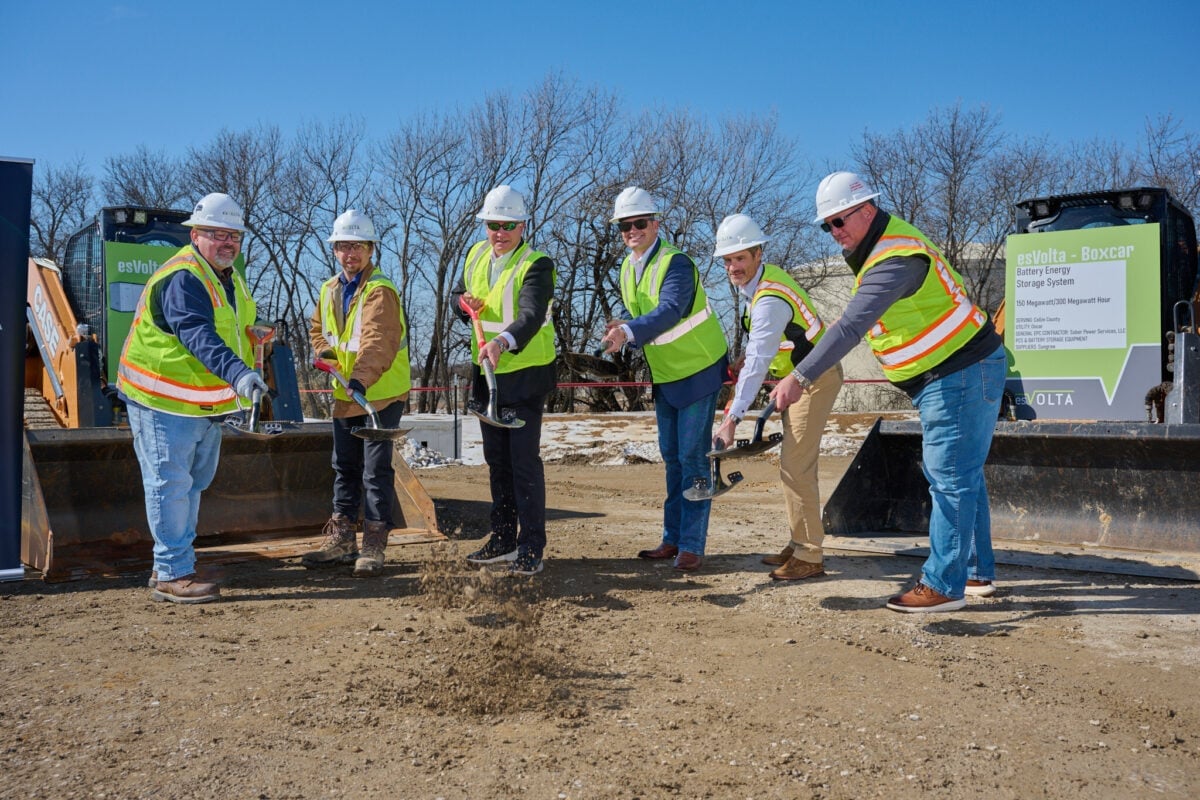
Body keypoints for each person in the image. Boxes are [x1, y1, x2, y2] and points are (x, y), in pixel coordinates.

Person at [769, 172, 1006, 612]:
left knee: (949, 479)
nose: (834, 233)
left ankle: (943, 585)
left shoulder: (894, 259)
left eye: (840, 221)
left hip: (958, 371)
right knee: (962, 476)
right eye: (828, 226)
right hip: (956, 372)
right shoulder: (878, 251)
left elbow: (850, 326)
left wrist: (799, 377)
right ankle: (974, 572)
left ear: (867, 209)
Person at [117, 192, 268, 604]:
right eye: (217, 233)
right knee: (171, 484)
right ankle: (172, 572)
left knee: (192, 484)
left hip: (201, 402)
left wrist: (254, 334)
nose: (228, 243)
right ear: (195, 234)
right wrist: (240, 374)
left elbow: (233, 324)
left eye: (234, 235)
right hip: (160, 399)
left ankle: (168, 563)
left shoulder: (228, 276)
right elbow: (197, 334)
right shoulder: (184, 277)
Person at [601, 187, 729, 571]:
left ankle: (692, 544)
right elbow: (640, 309)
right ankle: (672, 539)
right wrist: (623, 323)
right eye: (625, 226)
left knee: (692, 458)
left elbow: (671, 309)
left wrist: (629, 333)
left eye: (639, 223)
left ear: (656, 223)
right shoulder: (628, 266)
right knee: (673, 458)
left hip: (698, 370)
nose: (632, 231)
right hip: (667, 374)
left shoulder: (677, 263)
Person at [710, 214, 844, 581]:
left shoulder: (768, 297)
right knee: (796, 465)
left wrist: (731, 419)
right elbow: (763, 347)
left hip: (814, 378)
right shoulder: (759, 284)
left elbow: (757, 362)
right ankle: (799, 540)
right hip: (796, 377)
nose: (733, 267)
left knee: (795, 465)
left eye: (740, 258)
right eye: (727, 260)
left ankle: (809, 556)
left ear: (757, 253)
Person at [452, 185, 556, 576]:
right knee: (497, 462)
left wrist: (502, 341)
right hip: (487, 373)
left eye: (508, 225)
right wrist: (464, 304)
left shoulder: (537, 264)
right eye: (493, 225)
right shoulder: (477, 255)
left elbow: (530, 315)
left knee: (523, 464)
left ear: (523, 225)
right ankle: (503, 539)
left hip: (526, 374)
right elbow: (459, 296)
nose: (500, 232)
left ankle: (531, 547)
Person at [302, 210, 411, 577]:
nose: (350, 253)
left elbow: (379, 342)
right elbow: (319, 331)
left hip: (380, 394)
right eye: (344, 246)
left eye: (358, 246)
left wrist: (360, 380)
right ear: (334, 249)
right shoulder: (329, 289)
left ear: (370, 249)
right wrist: (325, 355)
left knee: (375, 470)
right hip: (347, 394)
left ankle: (375, 544)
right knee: (344, 467)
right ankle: (342, 538)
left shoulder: (380, 290)